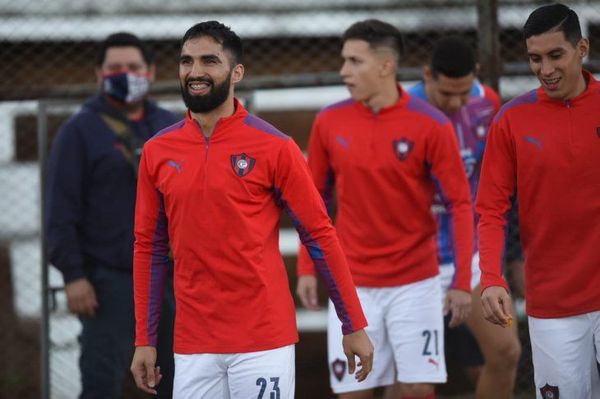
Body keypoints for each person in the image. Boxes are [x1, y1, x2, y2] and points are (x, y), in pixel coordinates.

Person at [129, 20, 373, 399]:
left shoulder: (275, 147)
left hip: (263, 337)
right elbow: (148, 247)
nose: (195, 72)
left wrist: (352, 324)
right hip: (193, 343)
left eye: (209, 61)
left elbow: (320, 234)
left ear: (237, 72)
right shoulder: (158, 151)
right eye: (186, 61)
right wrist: (145, 339)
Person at [296, 19, 474, 399]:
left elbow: (460, 203)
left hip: (416, 282)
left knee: (415, 388)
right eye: (344, 61)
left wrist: (461, 281)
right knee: (354, 392)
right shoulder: (329, 121)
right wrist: (308, 267)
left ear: (385, 66)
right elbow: (314, 201)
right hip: (352, 283)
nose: (344, 70)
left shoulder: (431, 125)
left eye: (354, 61)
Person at [476, 3, 600, 398]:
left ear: (582, 49)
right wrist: (492, 278)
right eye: (534, 58)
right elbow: (490, 209)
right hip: (551, 302)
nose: (545, 69)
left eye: (555, 55)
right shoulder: (511, 120)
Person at [46, 33, 178, 398]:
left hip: (169, 280)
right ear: (98, 74)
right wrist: (74, 275)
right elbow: (59, 210)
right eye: (114, 68)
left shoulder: (172, 127)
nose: (124, 74)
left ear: (150, 72)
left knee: (178, 382)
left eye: (133, 67)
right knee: (101, 381)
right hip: (108, 283)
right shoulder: (79, 131)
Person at [407, 37, 521, 399]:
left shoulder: (488, 103)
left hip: (467, 256)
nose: (456, 103)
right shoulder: (403, 110)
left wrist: (512, 253)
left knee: (505, 353)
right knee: (414, 382)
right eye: (445, 94)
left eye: (463, 93)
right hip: (414, 262)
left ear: (476, 76)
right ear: (427, 75)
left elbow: (499, 183)